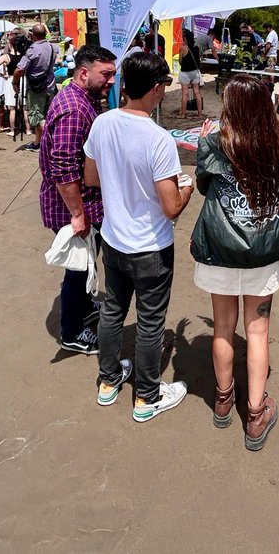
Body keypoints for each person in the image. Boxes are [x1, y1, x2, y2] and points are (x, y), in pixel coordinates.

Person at [192, 75, 279, 450]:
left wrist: (207, 140)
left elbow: (206, 187)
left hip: (221, 247)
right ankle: (255, 414)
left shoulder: (214, 142)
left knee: (223, 328)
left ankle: (224, 400)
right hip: (264, 247)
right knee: (257, 332)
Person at [84, 52, 194, 422]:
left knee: (112, 311)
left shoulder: (102, 123)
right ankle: (147, 396)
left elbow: (92, 178)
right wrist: (187, 189)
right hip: (150, 247)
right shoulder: (158, 139)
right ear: (158, 88)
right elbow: (171, 208)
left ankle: (108, 379)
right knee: (150, 322)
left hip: (114, 240)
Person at [40, 45, 118, 355]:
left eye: (113, 74)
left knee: (86, 263)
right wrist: (77, 214)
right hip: (72, 206)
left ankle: (84, 308)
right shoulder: (74, 107)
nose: (111, 81)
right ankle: (72, 332)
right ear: (83, 73)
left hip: (86, 203)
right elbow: (63, 168)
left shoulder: (85, 99)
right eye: (106, 74)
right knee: (78, 268)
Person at [14, 24, 58, 152]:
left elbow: (19, 69)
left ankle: (52, 142)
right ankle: (37, 142)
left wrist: (14, 83)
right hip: (50, 86)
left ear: (32, 35)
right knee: (46, 115)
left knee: (37, 117)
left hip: (36, 88)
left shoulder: (32, 50)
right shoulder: (53, 47)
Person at [177, 27, 203, 116]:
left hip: (185, 72)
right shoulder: (197, 48)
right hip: (195, 72)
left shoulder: (183, 48)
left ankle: (183, 114)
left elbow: (180, 62)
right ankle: (199, 113)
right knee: (197, 93)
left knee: (185, 93)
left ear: (185, 39)